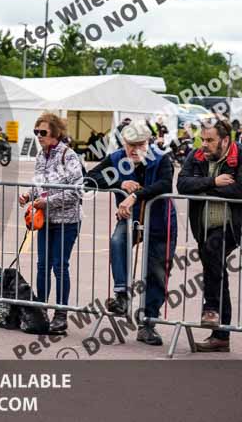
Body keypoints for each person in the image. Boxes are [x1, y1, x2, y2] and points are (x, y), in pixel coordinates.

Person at [85, 120, 177, 345]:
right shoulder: (116, 158)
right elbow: (90, 180)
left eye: (140, 144)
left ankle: (148, 323)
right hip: (130, 219)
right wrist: (120, 183)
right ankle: (122, 295)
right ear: (123, 143)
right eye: (130, 145)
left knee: (156, 270)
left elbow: (165, 185)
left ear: (149, 142)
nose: (134, 150)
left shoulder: (162, 158)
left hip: (160, 219)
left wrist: (137, 195)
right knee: (117, 241)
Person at [177, 119, 242, 352]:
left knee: (215, 253)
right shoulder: (196, 155)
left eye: (210, 140)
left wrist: (202, 187)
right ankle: (221, 336)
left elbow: (238, 189)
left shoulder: (239, 155)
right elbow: (182, 184)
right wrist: (213, 182)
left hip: (231, 227)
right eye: (202, 139)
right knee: (216, 271)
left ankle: (211, 308)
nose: (204, 144)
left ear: (225, 140)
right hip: (202, 226)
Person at [18, 113, 83, 333]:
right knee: (42, 265)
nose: (38, 136)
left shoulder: (69, 156)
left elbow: (76, 192)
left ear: (55, 132)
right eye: (36, 132)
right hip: (45, 221)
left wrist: (47, 203)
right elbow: (38, 184)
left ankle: (61, 313)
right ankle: (41, 309)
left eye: (43, 132)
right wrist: (28, 195)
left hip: (67, 221)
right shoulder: (40, 156)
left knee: (59, 266)